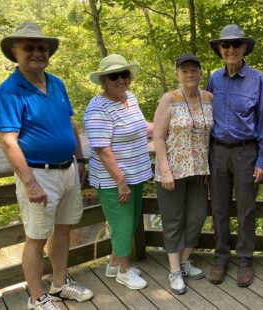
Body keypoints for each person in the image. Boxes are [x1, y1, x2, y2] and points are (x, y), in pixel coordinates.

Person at [0, 22, 93, 310]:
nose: (37, 52)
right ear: (15, 52)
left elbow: (69, 123)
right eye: (29, 47)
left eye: (41, 48)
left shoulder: (57, 82)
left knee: (62, 229)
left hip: (68, 168)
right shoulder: (10, 91)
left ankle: (60, 284)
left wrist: (81, 158)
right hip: (38, 173)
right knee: (35, 237)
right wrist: (30, 182)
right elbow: (8, 141)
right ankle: (37, 297)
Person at [207, 24, 263, 287]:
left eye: (236, 44)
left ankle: (245, 260)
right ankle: (221, 257)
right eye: (226, 45)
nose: (231, 49)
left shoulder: (257, 79)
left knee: (246, 210)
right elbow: (205, 117)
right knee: (219, 208)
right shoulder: (214, 78)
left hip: (247, 152)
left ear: (245, 48)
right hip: (217, 150)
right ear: (220, 50)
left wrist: (262, 158)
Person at [84, 54, 153, 290]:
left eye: (125, 74)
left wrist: (169, 124)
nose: (121, 80)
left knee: (131, 221)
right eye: (114, 76)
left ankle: (114, 263)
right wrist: (120, 181)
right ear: (104, 80)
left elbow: (143, 127)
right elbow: (102, 149)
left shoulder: (129, 98)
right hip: (114, 180)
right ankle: (124, 271)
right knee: (121, 223)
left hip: (136, 173)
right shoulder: (97, 107)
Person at [152, 53, 213, 294]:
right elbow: (158, 136)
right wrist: (165, 169)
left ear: (200, 73)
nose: (190, 75)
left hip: (199, 171)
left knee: (197, 217)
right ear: (177, 74)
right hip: (172, 172)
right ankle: (175, 270)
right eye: (184, 70)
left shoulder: (209, 99)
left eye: (194, 70)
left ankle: (186, 261)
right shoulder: (169, 99)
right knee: (173, 219)